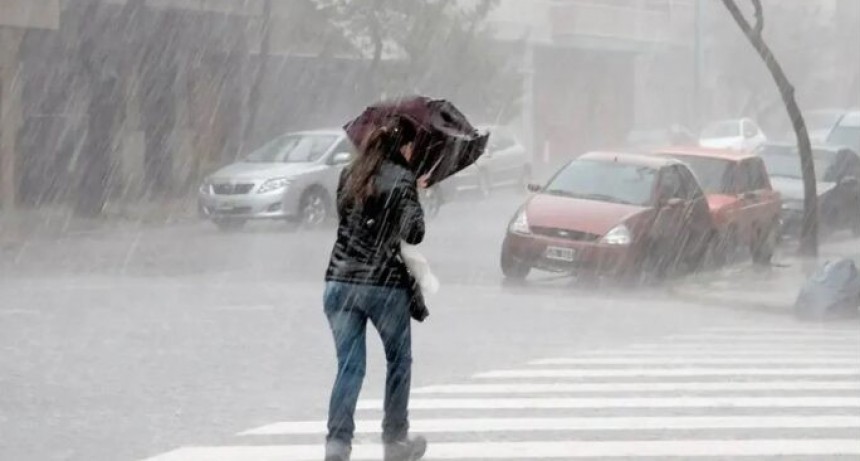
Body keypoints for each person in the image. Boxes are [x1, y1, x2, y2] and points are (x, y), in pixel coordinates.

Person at [323, 115, 428, 461]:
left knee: (349, 367)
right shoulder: (402, 178)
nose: (414, 153)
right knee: (399, 360)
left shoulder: (348, 175)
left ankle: (337, 445)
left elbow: (349, 218)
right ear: (404, 146)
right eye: (413, 146)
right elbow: (413, 233)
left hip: (339, 282)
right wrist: (414, 194)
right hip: (382, 285)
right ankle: (395, 440)